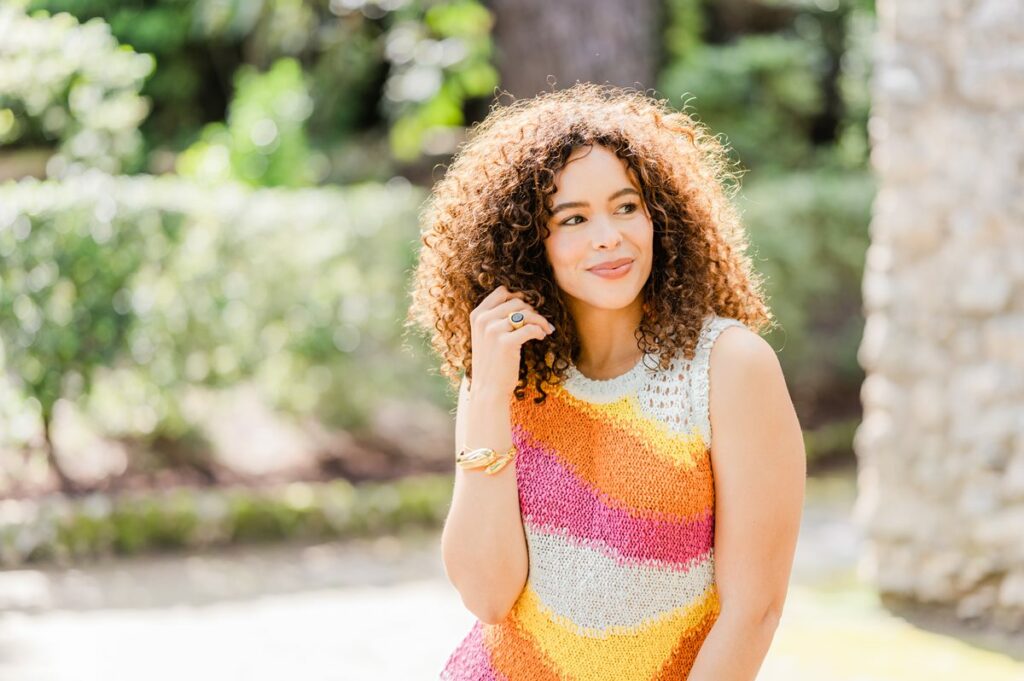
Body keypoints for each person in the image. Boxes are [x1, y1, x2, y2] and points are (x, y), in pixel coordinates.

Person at [406, 82, 806, 681]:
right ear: (526, 241)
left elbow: (755, 611)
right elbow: (488, 597)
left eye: (626, 206)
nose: (607, 237)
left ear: (661, 217)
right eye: (573, 217)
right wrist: (488, 393)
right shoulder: (503, 376)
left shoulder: (728, 367)